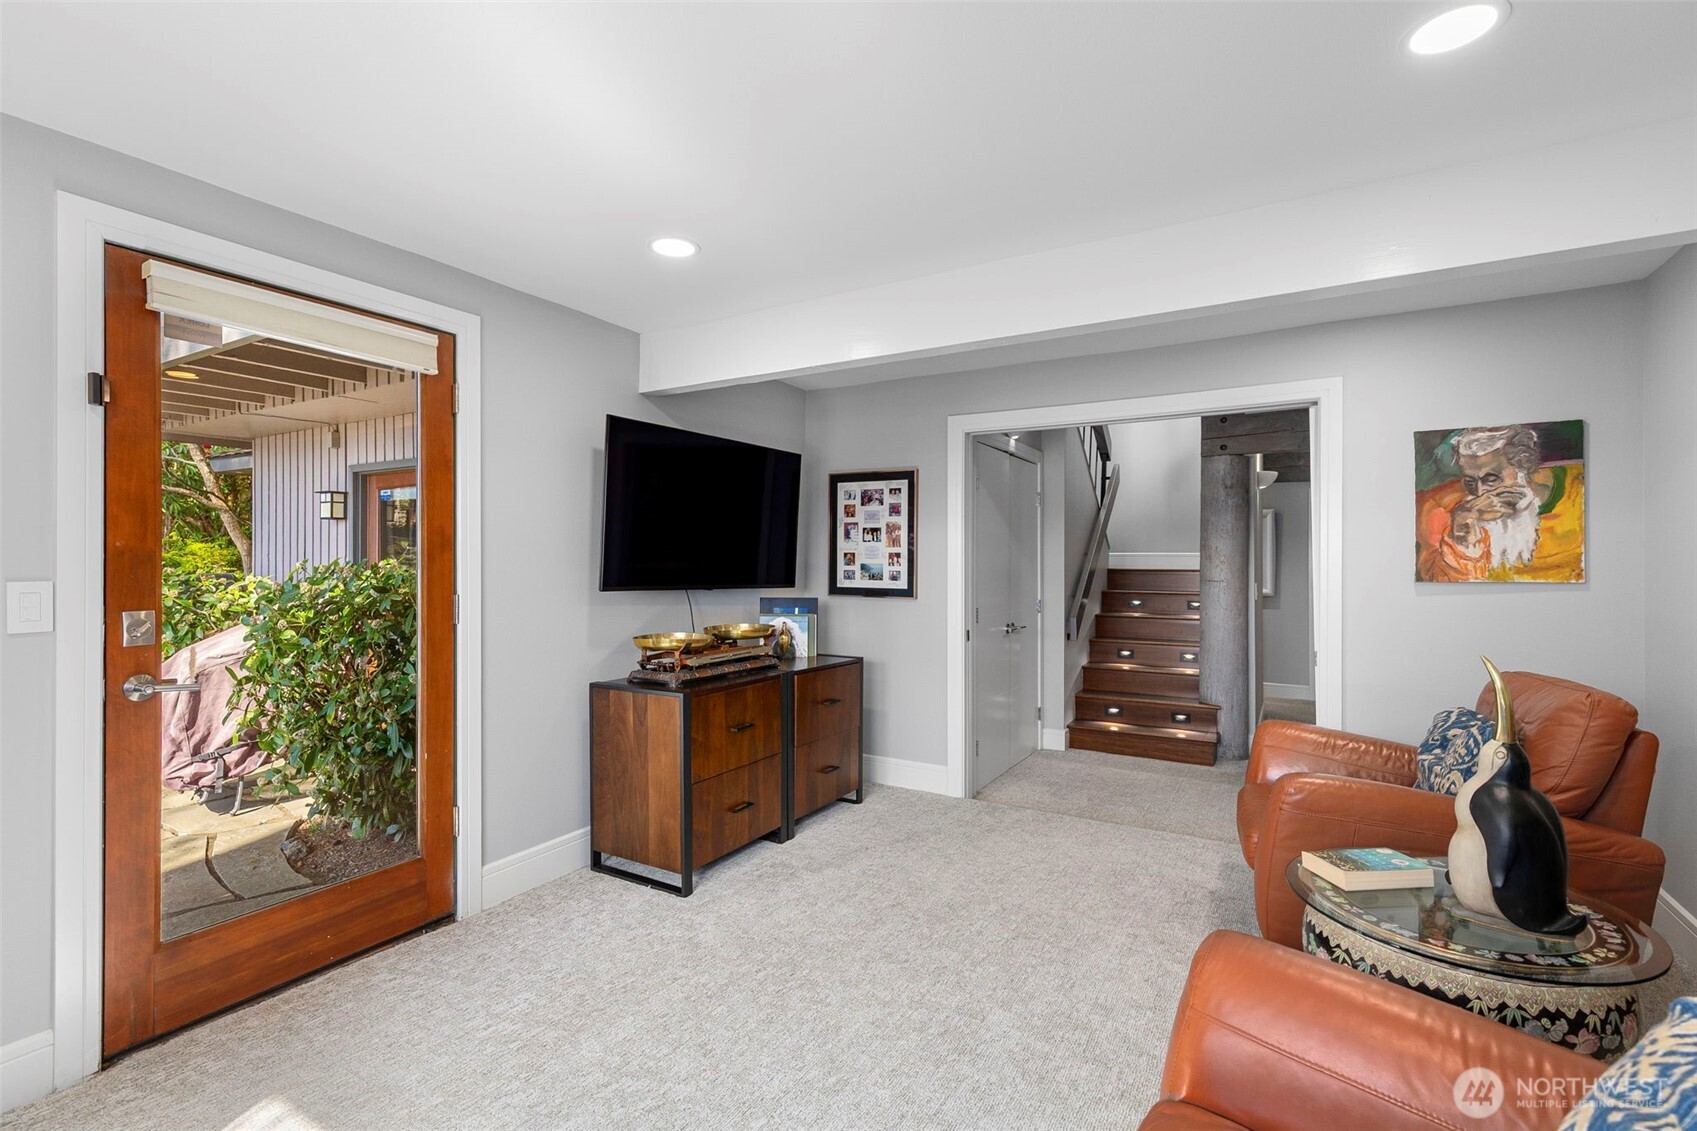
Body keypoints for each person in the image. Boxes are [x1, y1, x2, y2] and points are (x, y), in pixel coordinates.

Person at [1415, 424, 1584, 582]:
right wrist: (1461, 530)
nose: (1479, 492)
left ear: (1522, 466)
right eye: (1470, 481)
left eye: (1491, 479)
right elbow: (1440, 580)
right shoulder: (1441, 507)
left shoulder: (1579, 490)